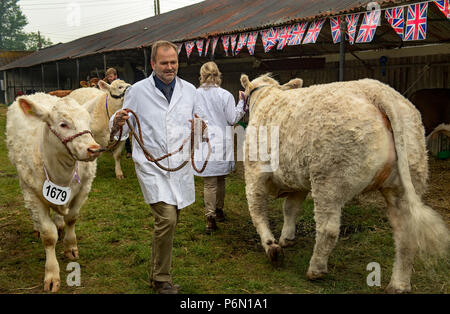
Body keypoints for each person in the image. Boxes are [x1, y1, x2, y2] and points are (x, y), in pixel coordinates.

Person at [109, 40, 205, 294]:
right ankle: (162, 280)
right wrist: (116, 121)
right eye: (164, 63)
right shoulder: (138, 91)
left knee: (172, 219)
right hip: (151, 165)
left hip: (179, 165)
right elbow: (122, 128)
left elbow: (198, 121)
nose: (170, 67)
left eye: (173, 62)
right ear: (153, 64)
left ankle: (156, 273)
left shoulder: (190, 90)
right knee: (167, 219)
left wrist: (201, 129)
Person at [194, 61, 246, 234]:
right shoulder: (225, 95)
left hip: (204, 140)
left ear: (201, 75)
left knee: (210, 183)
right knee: (221, 179)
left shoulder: (194, 95)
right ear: (218, 75)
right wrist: (242, 102)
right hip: (222, 142)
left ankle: (211, 217)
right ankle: (219, 211)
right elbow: (233, 119)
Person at [105, 67, 133, 158]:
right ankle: (114, 147)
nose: (110, 78)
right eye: (108, 77)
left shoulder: (120, 84)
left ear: (116, 76)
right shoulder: (110, 86)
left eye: (111, 76)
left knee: (124, 129)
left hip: (121, 109)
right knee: (114, 128)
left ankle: (129, 151)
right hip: (112, 110)